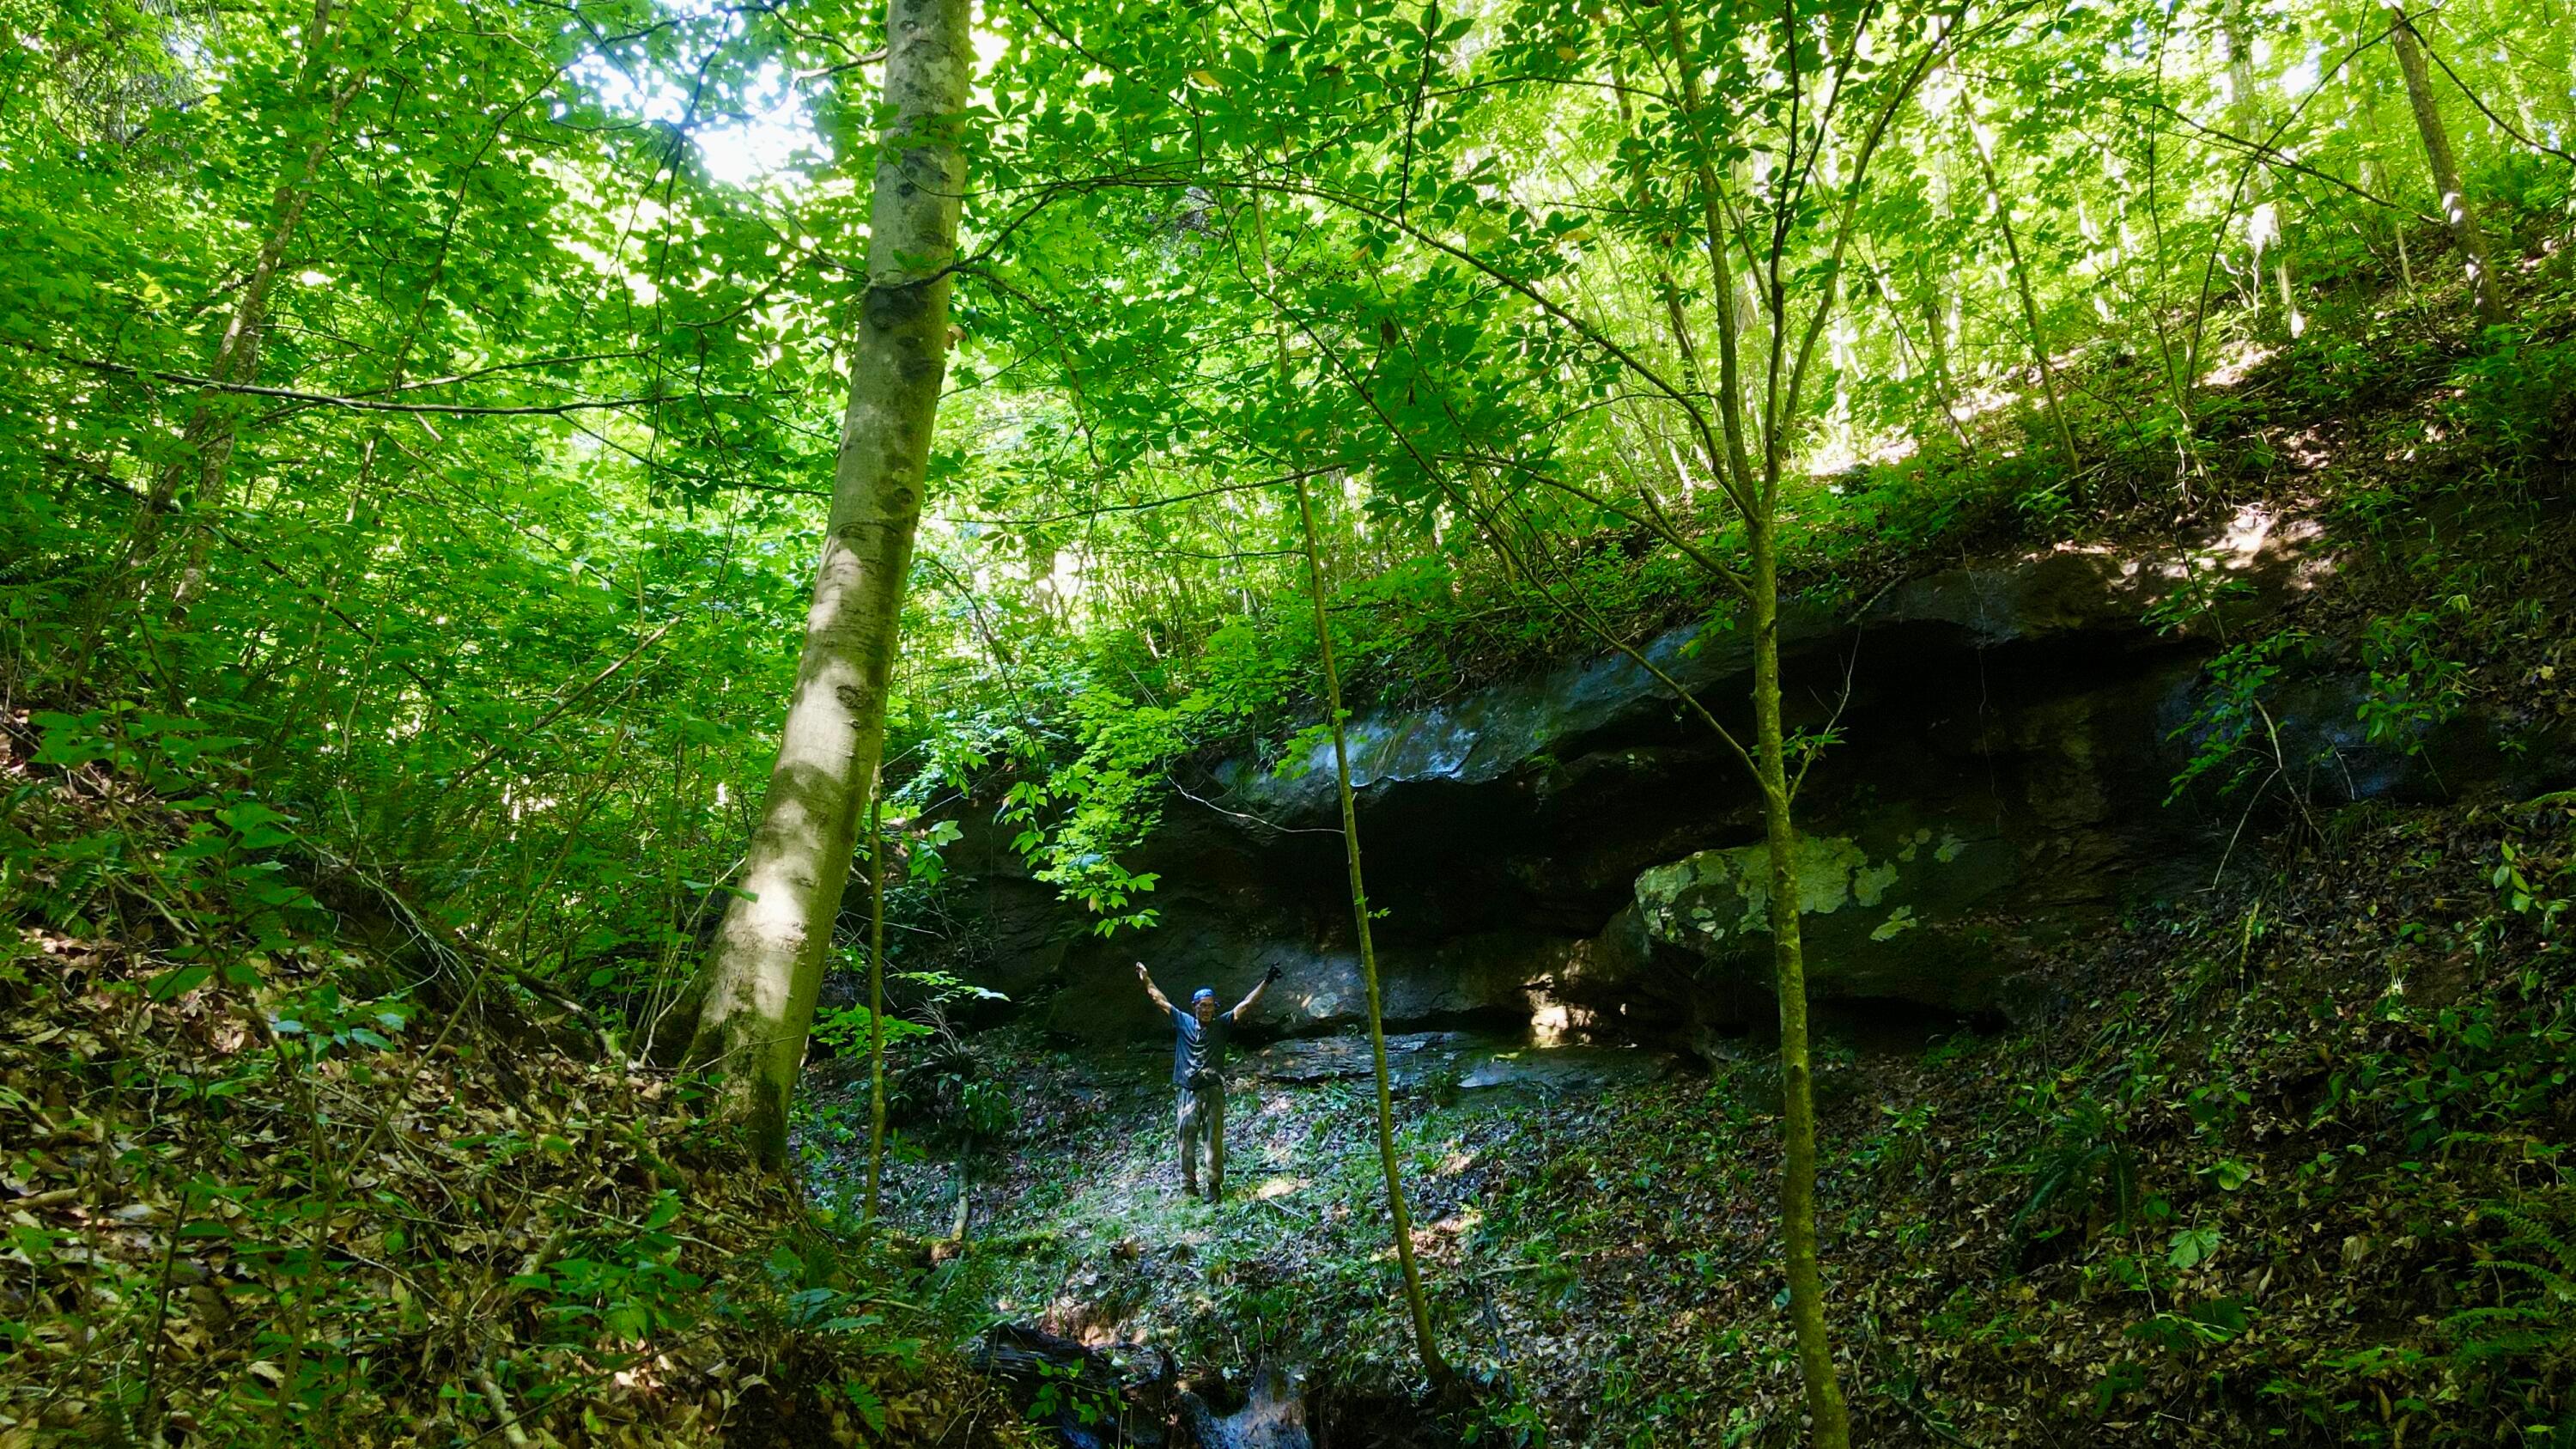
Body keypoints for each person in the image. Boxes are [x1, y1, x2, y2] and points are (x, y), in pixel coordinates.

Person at [1136, 960, 1279, 1202]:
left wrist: (1266, 982)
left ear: (1215, 1008)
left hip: (1213, 1090)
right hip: (1188, 1091)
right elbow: (1159, 999)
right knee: (1186, 1139)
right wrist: (1146, 978)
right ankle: (1188, 1187)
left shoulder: (1221, 1025)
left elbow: (1246, 1004)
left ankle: (1214, 1186)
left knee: (1213, 1138)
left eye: (1210, 1006)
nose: (1206, 1010)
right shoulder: (1183, 1021)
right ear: (1194, 1006)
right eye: (1202, 1006)